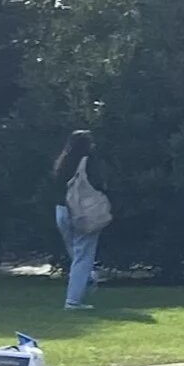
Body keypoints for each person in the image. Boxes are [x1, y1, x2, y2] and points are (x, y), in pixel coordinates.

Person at [51, 130, 108, 310]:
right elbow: (98, 185)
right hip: (82, 212)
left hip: (61, 210)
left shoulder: (62, 164)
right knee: (83, 256)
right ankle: (73, 300)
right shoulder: (88, 162)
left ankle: (88, 278)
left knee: (76, 253)